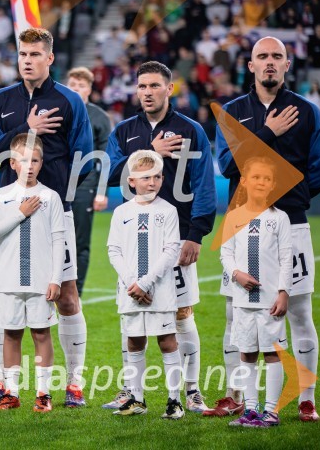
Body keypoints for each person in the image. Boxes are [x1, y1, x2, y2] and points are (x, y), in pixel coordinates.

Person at [214, 36, 320, 421]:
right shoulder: (232, 112)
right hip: (242, 227)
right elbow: (226, 166)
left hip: (292, 224)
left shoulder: (307, 111)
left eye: (276, 56)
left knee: (299, 313)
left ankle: (306, 399)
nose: (269, 61)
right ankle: (237, 396)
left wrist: (288, 199)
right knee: (236, 315)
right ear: (250, 65)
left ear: (286, 64)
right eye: (262, 56)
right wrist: (267, 133)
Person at [0, 27, 93, 407]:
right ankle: (1, 383)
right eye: (22, 54)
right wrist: (25, 128)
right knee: (7, 296)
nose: (27, 60)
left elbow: (85, 160)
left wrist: (55, 199)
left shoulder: (69, 101)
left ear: (50, 58)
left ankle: (74, 384)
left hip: (54, 215)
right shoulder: (2, 100)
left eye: (35, 54)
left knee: (67, 296)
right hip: (12, 215)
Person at [105, 60, 215, 412]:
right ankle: (130, 391)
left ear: (170, 89)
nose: (148, 92)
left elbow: (204, 184)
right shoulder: (124, 131)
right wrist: (151, 151)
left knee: (182, 314)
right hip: (134, 240)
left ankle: (192, 390)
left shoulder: (190, 130)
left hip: (176, 238)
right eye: (142, 86)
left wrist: (196, 234)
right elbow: (109, 174)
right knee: (130, 315)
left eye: (155, 85)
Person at [0, 134, 65, 412]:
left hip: (41, 280)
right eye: (23, 160)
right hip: (9, 279)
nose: (29, 166)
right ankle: (12, 393)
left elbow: (58, 240)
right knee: (11, 333)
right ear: (12, 163)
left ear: (41, 163)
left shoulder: (50, 197)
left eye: (35, 160)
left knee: (41, 333)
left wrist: (56, 279)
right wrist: (20, 212)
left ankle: (43, 394)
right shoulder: (2, 196)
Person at [107, 150, 184, 419]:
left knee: (167, 341)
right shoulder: (121, 212)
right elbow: (114, 250)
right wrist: (133, 283)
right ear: (131, 181)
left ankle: (175, 401)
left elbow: (171, 251)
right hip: (130, 291)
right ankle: (137, 399)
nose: (152, 182)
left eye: (157, 177)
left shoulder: (168, 211)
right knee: (134, 341)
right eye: (145, 177)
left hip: (159, 291)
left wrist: (146, 283)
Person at [221, 156, 292, 428]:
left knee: (272, 353)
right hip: (242, 300)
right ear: (243, 181)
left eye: (267, 178)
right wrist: (236, 274)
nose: (261, 182)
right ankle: (251, 410)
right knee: (247, 352)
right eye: (256, 177)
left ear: (273, 185)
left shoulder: (279, 218)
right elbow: (226, 254)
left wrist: (283, 292)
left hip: (270, 300)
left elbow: (286, 258)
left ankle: (271, 411)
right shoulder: (234, 217)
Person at [65, 66, 112, 296]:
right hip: (56, 185)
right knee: (51, 239)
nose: (76, 89)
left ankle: (76, 293)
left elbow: (106, 158)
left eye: (81, 85)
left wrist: (102, 191)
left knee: (79, 242)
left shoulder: (99, 117)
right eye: (72, 85)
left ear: (89, 90)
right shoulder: (56, 111)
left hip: (85, 186)